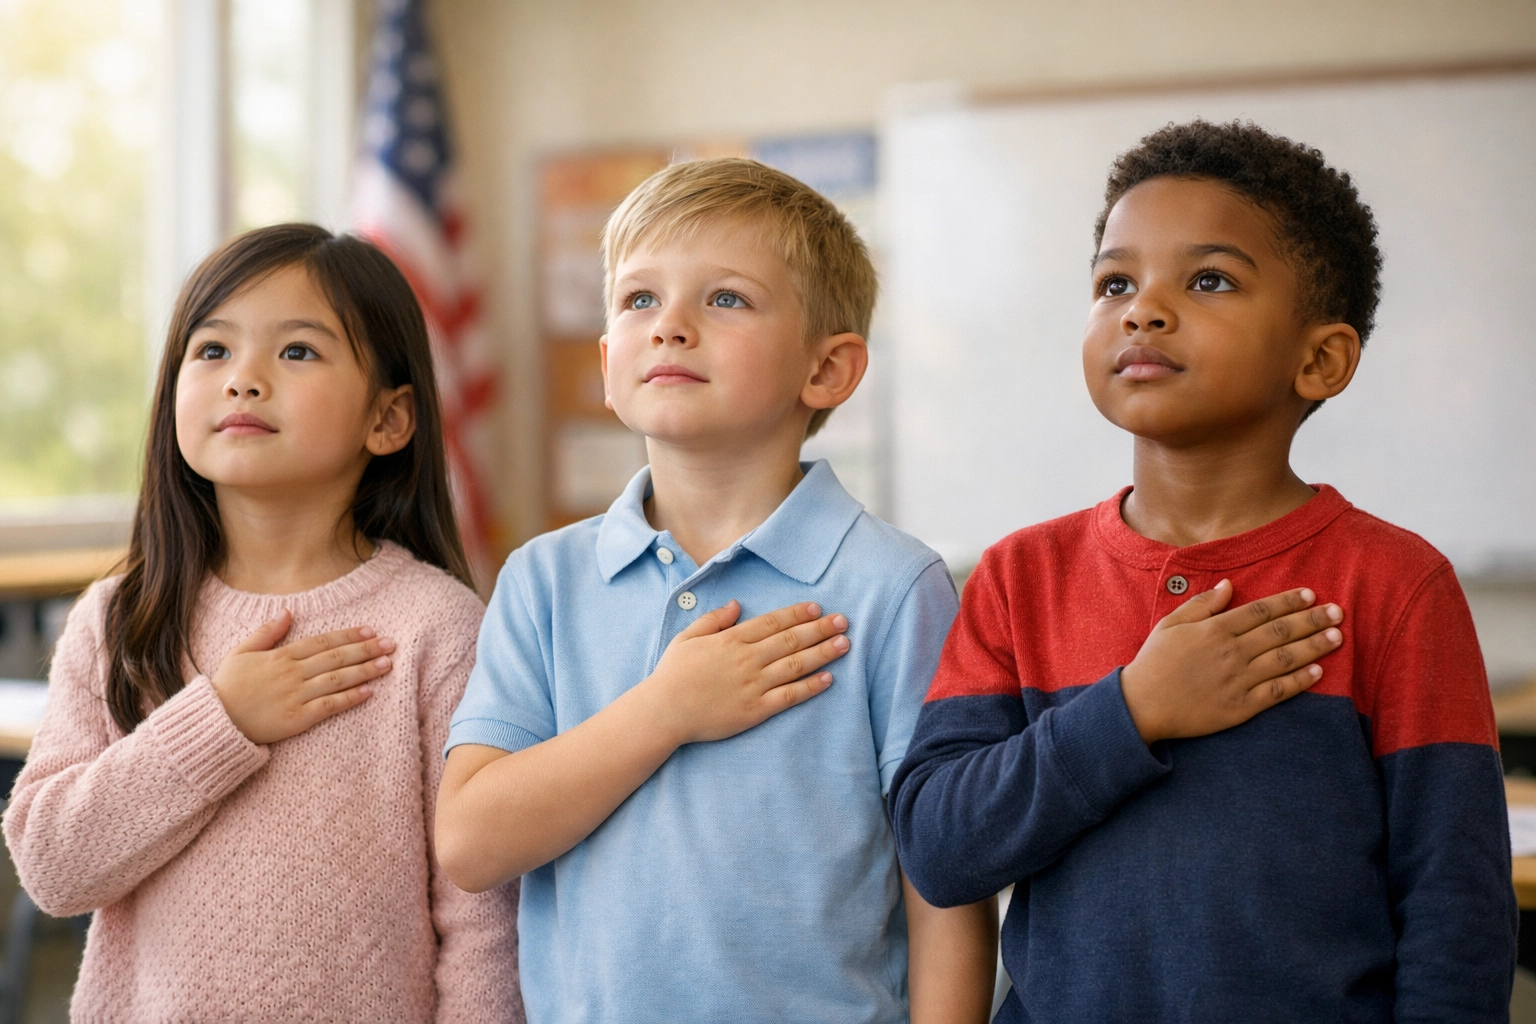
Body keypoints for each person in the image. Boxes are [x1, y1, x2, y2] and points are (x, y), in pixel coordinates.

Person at [890, 119, 1516, 1022]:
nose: (1142, 308)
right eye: (1115, 282)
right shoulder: (1019, 577)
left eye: (1209, 279)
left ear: (1321, 358)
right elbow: (941, 847)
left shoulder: (1396, 584)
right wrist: (1133, 710)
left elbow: (1456, 907)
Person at [436, 157, 997, 1023]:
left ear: (829, 371)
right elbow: (472, 843)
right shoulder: (542, 579)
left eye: (726, 298)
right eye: (639, 300)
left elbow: (945, 886)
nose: (670, 327)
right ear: (608, 358)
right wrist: (668, 709)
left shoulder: (895, 586)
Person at [3, 224, 522, 1022]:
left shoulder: (437, 626)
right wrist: (220, 721)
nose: (243, 379)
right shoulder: (121, 618)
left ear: (388, 419)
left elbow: (482, 917)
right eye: (211, 351)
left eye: (298, 352)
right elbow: (54, 866)